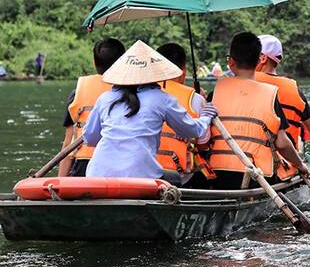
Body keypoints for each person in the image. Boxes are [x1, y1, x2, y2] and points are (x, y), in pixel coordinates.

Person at [82, 40, 217, 179]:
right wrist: (205, 118)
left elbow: (90, 138)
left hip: (97, 174)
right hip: (141, 176)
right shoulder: (161, 98)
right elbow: (191, 130)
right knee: (177, 178)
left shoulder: (105, 98)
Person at [207, 32, 310, 189]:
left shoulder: (215, 93)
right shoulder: (270, 95)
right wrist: (300, 165)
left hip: (218, 174)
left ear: (230, 63)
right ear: (257, 61)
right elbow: (282, 143)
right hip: (256, 177)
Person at [255, 35, 310, 171]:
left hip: (244, 161)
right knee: (300, 144)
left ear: (263, 58)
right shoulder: (295, 91)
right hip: (284, 166)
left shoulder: (242, 84)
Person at [58, 38, 125, 177]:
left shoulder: (78, 92)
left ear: (94, 63)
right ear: (124, 62)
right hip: (120, 164)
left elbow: (68, 143)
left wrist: (60, 181)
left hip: (83, 164)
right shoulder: (132, 91)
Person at [156, 43, 214, 186]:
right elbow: (203, 144)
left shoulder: (140, 94)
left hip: (147, 171)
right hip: (182, 176)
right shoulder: (195, 99)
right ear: (183, 71)